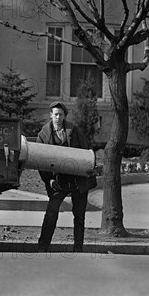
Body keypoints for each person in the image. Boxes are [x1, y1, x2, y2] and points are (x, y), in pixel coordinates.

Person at [37, 101, 97, 252]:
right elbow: (39, 160)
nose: (58, 117)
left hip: (77, 179)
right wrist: (49, 179)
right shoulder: (44, 134)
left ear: (64, 116)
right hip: (57, 181)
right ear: (51, 115)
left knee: (79, 216)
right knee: (51, 214)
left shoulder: (74, 131)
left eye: (60, 115)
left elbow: (87, 152)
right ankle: (42, 247)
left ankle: (78, 249)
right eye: (55, 114)